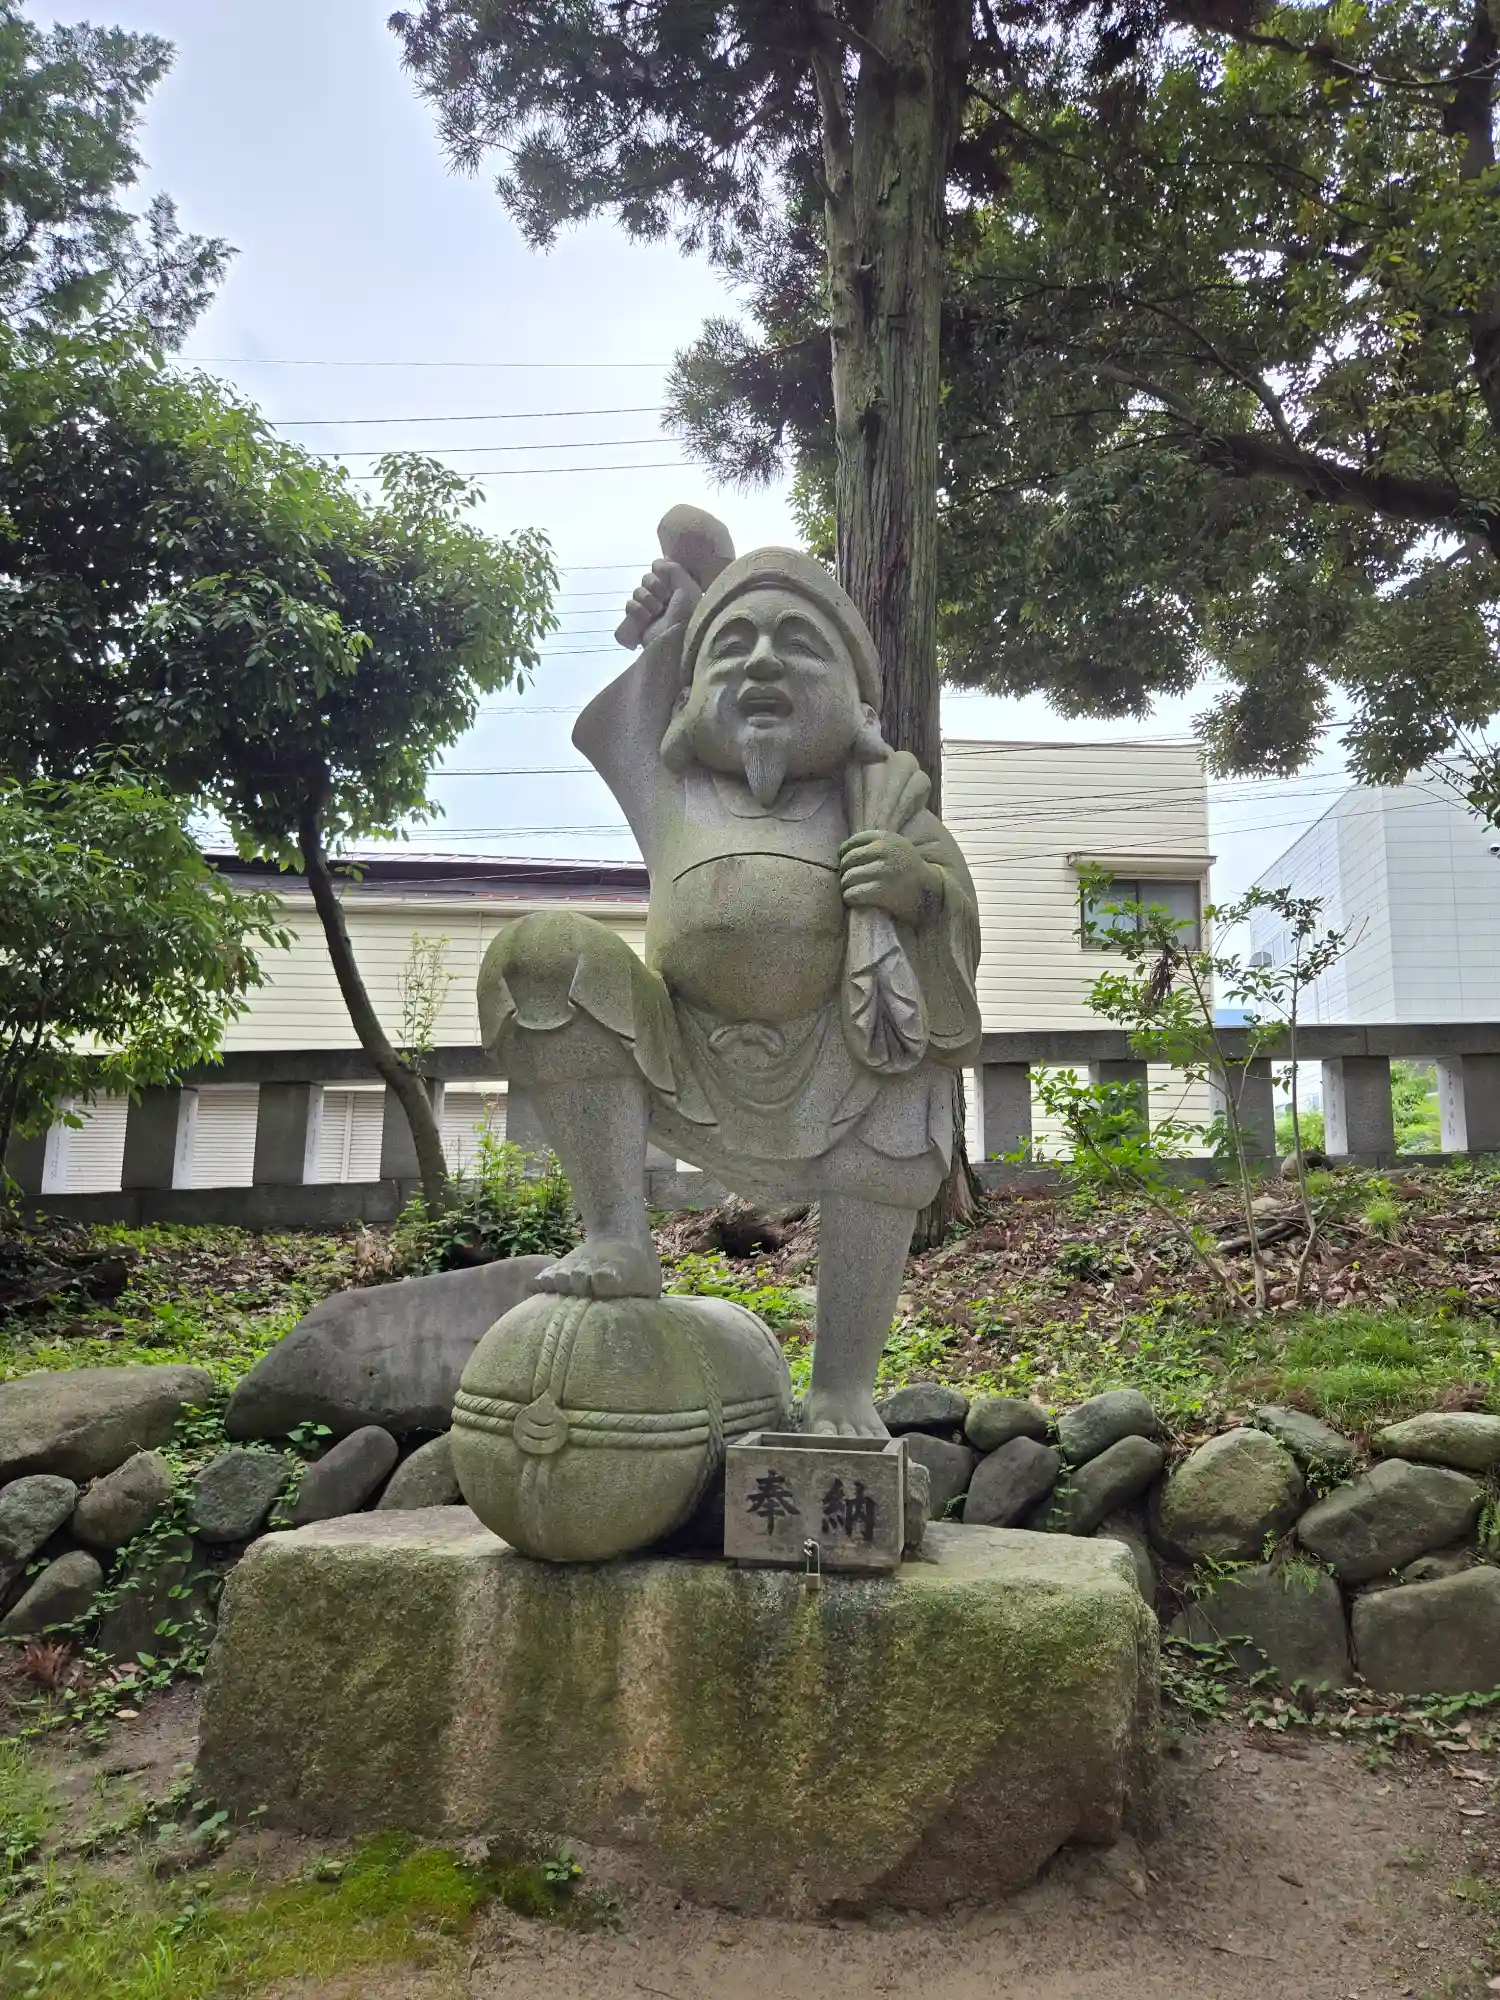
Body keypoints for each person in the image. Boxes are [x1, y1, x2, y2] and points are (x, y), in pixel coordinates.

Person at [479, 520, 981, 1436]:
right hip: (682, 1052)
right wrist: (679, 617)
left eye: (799, 644)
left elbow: (957, 934)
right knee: (541, 954)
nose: (761, 664)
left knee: (907, 1082)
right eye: (734, 645)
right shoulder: (670, 786)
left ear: (860, 704)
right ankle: (618, 1235)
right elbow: (631, 712)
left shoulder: (886, 800)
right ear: (687, 702)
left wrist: (917, 892)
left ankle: (841, 1386)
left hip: (844, 1056)